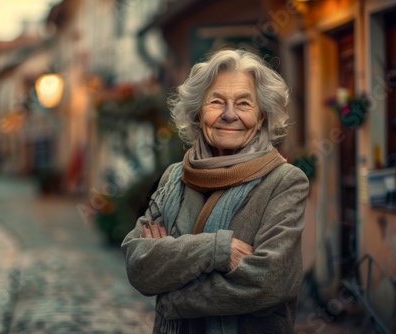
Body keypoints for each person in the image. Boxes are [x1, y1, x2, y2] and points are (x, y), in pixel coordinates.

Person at [121, 49, 310, 334]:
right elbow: (139, 266)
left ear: (261, 118)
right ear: (198, 114)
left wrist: (173, 295)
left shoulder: (284, 181)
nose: (229, 114)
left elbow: (270, 282)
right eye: (217, 102)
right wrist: (216, 249)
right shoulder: (174, 178)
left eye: (244, 104)